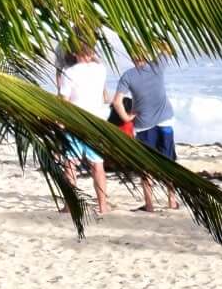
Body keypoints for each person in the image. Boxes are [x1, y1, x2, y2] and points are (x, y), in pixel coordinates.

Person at [116, 41, 181, 212]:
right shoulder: (157, 66)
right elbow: (169, 48)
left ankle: (150, 205)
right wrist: (155, 40)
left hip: (144, 125)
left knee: (146, 165)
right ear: (147, 54)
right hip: (166, 120)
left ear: (132, 57)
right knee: (168, 161)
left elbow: (117, 102)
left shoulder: (128, 76)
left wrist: (126, 117)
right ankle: (172, 201)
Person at [52, 41, 111, 217]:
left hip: (76, 122)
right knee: (97, 165)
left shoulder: (69, 72)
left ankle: (70, 205)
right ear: (91, 52)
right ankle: (102, 206)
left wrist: (59, 121)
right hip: (96, 121)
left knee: (70, 164)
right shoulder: (101, 69)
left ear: (75, 54)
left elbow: (65, 101)